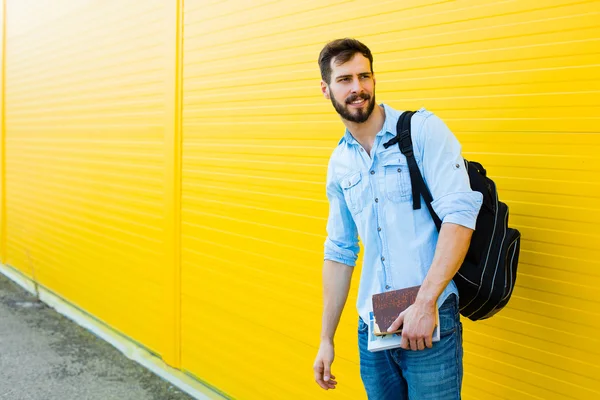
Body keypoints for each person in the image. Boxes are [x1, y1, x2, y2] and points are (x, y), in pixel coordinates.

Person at [312, 38, 483, 399]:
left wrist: (424, 303)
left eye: (364, 76)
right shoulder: (339, 164)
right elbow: (340, 251)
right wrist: (326, 339)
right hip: (373, 327)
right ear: (326, 89)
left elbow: (461, 216)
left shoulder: (421, 130)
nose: (357, 88)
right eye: (345, 79)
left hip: (430, 318)